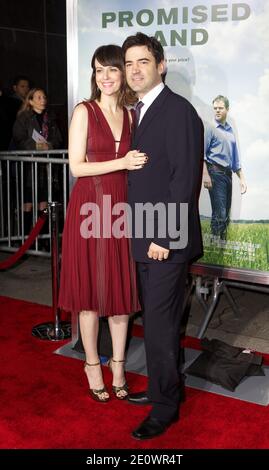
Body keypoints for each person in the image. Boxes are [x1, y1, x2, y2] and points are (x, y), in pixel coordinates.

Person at [122, 32, 203, 439]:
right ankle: (161, 387)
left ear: (161, 65)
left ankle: (166, 406)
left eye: (143, 62)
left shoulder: (179, 112)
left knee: (159, 324)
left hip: (163, 242)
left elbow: (183, 180)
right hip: (143, 236)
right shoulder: (140, 111)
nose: (135, 70)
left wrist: (164, 238)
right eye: (129, 64)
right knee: (156, 321)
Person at [58, 45, 147, 402]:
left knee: (120, 293)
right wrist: (122, 162)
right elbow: (76, 167)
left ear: (122, 73)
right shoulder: (84, 111)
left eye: (111, 70)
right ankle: (93, 364)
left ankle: (120, 366)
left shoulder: (131, 115)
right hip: (88, 207)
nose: (105, 77)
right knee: (90, 294)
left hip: (120, 208)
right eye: (99, 71)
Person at [12, 88, 62, 237]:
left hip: (45, 168)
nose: (43, 100)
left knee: (44, 203)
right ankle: (24, 238)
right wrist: (36, 146)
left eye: (44, 97)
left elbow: (58, 139)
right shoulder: (24, 118)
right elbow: (19, 138)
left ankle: (43, 238)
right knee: (28, 203)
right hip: (28, 167)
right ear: (31, 100)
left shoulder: (50, 119)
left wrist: (50, 145)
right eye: (39, 97)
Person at [203, 95, 247, 240]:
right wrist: (205, 175)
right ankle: (215, 246)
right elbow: (201, 154)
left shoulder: (230, 131)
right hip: (214, 172)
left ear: (227, 109)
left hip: (228, 175)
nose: (217, 111)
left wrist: (242, 180)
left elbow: (236, 160)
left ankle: (222, 246)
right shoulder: (210, 128)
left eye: (220, 108)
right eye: (215, 108)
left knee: (226, 214)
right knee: (219, 213)